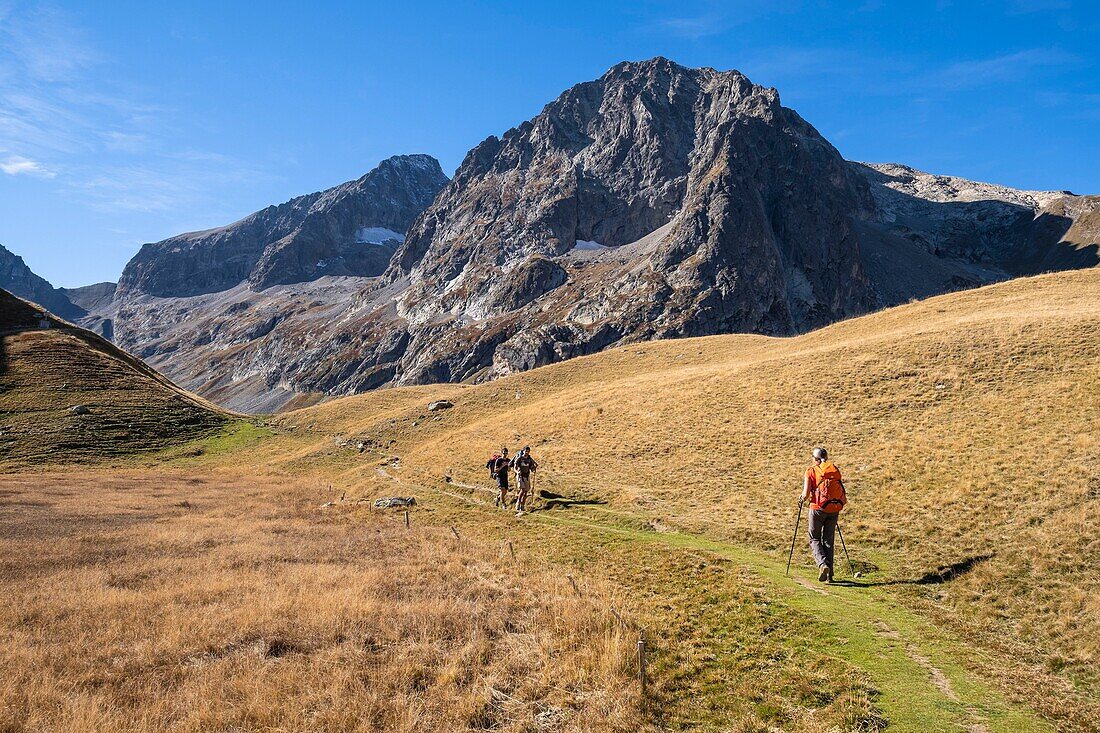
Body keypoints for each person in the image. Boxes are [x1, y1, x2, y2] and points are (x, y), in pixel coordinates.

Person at [800, 447, 846, 582]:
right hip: (834, 508)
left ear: (816, 459)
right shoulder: (833, 470)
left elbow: (806, 494)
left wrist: (801, 499)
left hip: (817, 508)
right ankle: (830, 576)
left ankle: (822, 565)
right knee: (828, 540)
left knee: (814, 538)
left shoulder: (811, 471)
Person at [512, 446, 538, 516]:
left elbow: (532, 467)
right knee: (522, 490)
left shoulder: (529, 459)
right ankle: (518, 502)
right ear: (523, 451)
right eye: (526, 451)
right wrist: (517, 472)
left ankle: (522, 506)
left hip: (526, 476)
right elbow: (515, 467)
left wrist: (534, 468)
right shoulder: (519, 458)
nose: (527, 452)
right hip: (520, 476)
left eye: (528, 451)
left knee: (526, 491)